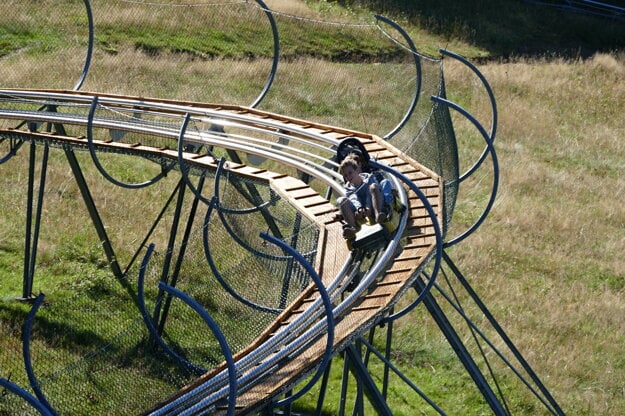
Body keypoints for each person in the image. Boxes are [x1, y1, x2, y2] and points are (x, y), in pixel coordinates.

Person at [336, 155, 388, 240]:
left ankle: (378, 214)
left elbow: (369, 192)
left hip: (373, 203)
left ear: (356, 170)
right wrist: (359, 208)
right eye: (346, 176)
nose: (348, 177)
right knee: (342, 200)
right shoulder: (348, 188)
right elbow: (353, 197)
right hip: (360, 210)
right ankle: (353, 227)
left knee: (373, 187)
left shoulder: (369, 178)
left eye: (350, 173)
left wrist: (367, 207)